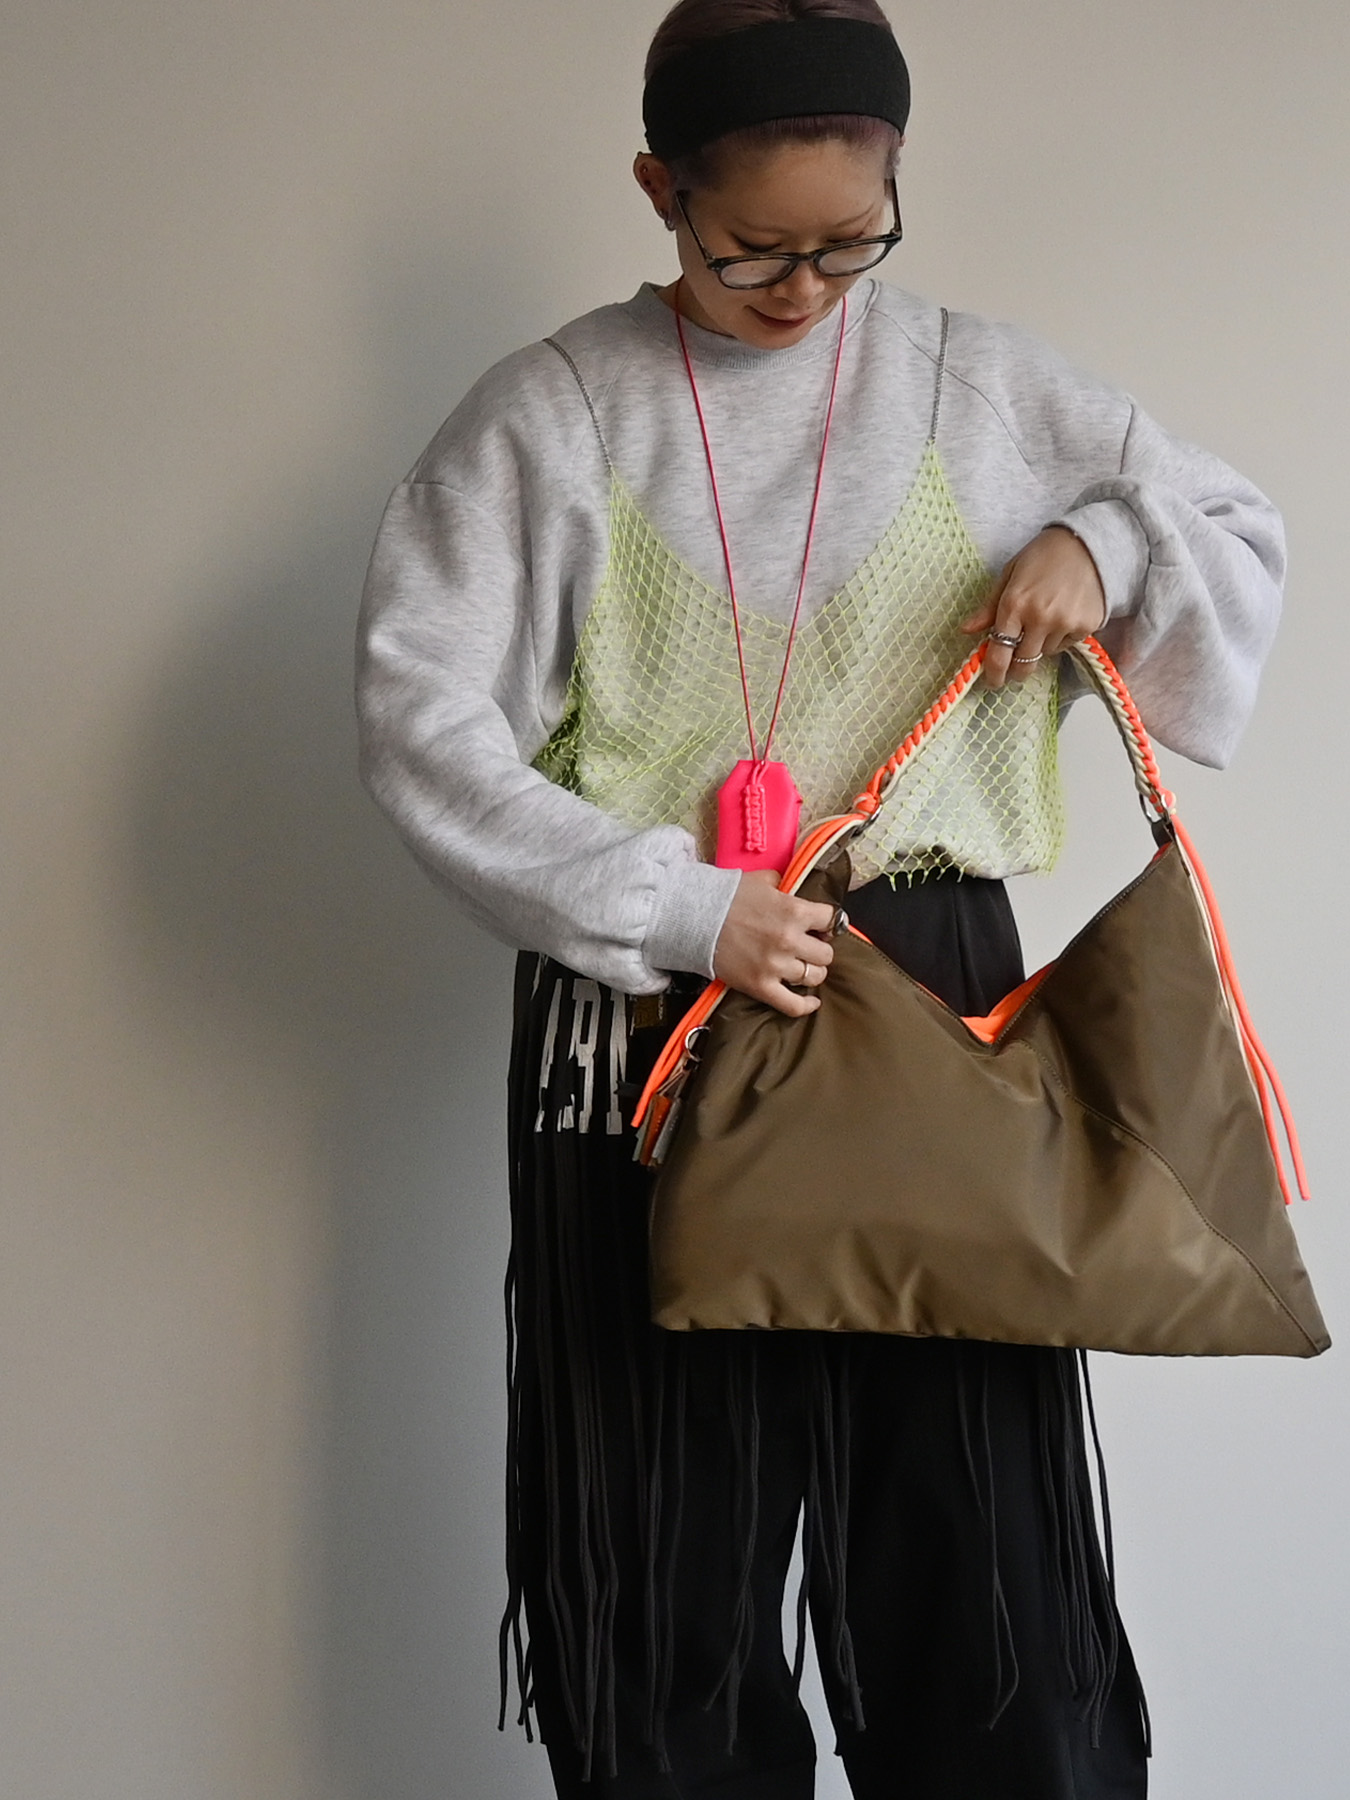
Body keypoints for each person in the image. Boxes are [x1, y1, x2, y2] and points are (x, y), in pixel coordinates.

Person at [356, 3, 1284, 1795]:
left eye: (850, 242)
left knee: (977, 1554)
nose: (802, 289)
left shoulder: (977, 383)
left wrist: (1103, 540)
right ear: (659, 191)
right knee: (666, 1559)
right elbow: (419, 723)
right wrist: (672, 903)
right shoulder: (552, 415)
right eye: (749, 248)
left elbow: (1231, 529)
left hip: (931, 991)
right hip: (654, 1002)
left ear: (896, 180)